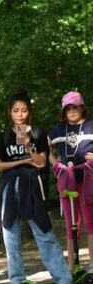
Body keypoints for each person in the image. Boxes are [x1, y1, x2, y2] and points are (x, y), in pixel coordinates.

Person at [0, 93, 73, 284]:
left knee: (43, 229)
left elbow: (41, 163)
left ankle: (63, 279)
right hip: (10, 186)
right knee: (10, 233)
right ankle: (17, 281)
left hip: (32, 185)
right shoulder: (4, 136)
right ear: (9, 112)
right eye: (15, 110)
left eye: (24, 110)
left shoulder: (37, 133)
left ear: (29, 111)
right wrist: (21, 162)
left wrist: (28, 146)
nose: (20, 115)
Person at [48, 91, 93, 273]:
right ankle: (72, 266)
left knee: (90, 222)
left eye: (76, 107)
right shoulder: (58, 129)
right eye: (68, 108)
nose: (72, 111)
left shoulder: (91, 126)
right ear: (64, 111)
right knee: (71, 223)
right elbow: (45, 146)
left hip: (88, 180)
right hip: (67, 181)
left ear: (82, 108)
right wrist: (56, 165)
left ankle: (92, 265)